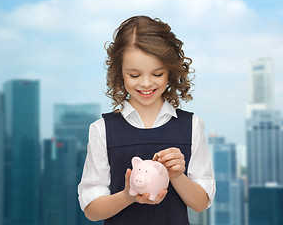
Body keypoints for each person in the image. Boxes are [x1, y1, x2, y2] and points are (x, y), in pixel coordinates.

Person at [78, 15, 216, 225]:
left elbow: (201, 203)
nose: (146, 83)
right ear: (120, 74)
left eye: (157, 73)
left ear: (170, 71)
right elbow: (92, 211)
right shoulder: (102, 129)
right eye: (134, 75)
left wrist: (177, 175)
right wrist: (128, 196)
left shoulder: (191, 126)